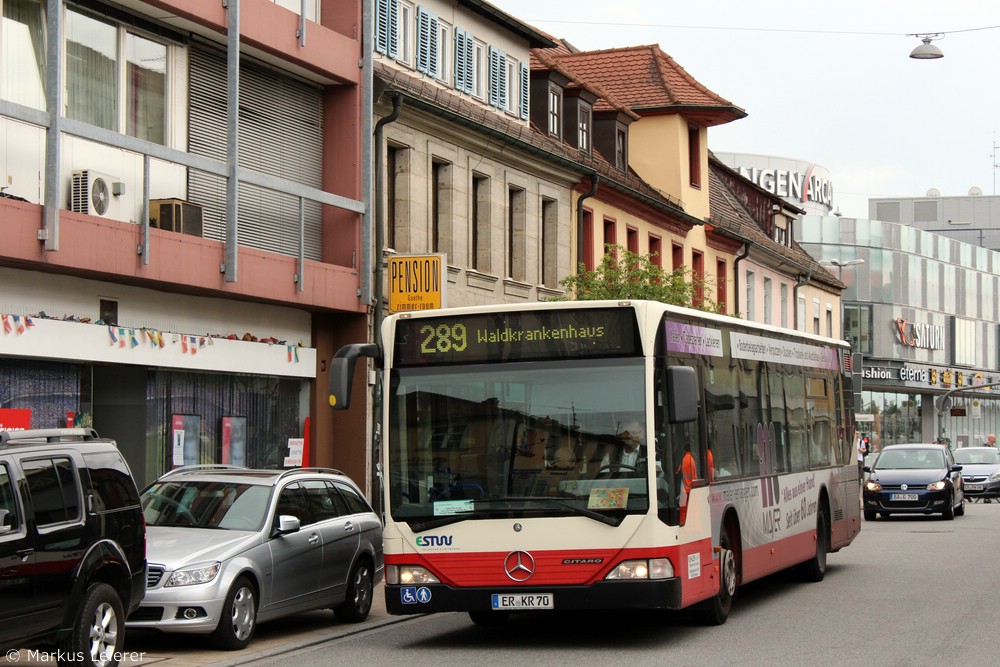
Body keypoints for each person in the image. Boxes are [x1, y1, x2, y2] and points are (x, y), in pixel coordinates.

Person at [677, 443, 696, 523]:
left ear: (685, 450)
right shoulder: (691, 460)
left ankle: (682, 521)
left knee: (683, 509)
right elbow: (693, 476)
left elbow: (678, 472)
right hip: (690, 489)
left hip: (684, 489)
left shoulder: (684, 459)